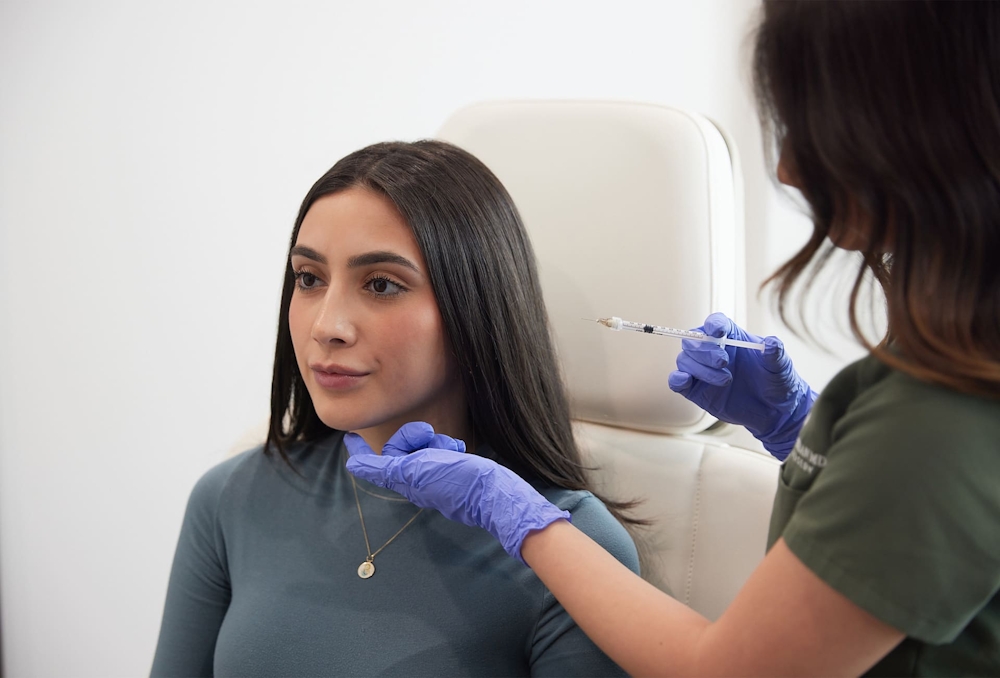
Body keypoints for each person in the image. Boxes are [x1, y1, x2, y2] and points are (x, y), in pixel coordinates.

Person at [344, 2, 1000, 675]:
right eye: (307, 277)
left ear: (923, 128)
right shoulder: (938, 381)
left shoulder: (939, 417)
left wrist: (513, 512)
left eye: (816, 123)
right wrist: (802, 434)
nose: (791, 170)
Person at [150, 140, 641, 677]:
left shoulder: (575, 549)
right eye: (309, 278)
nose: (326, 326)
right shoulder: (230, 499)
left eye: (381, 284)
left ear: (475, 306)